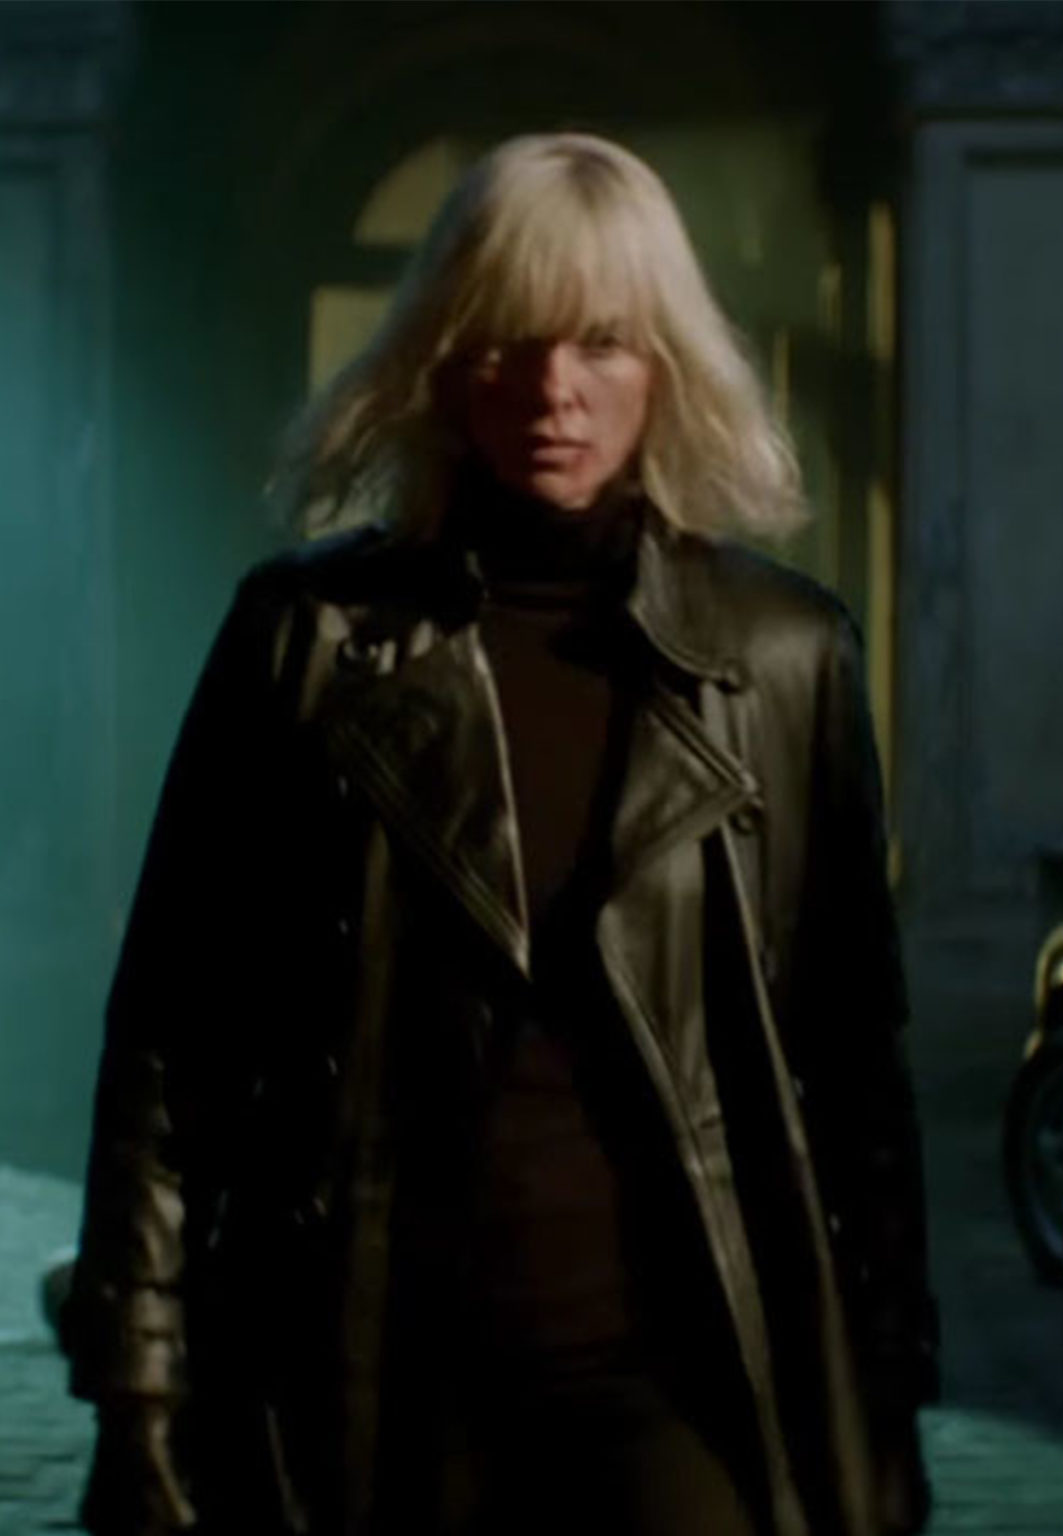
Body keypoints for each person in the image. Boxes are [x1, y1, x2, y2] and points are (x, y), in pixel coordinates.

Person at [68, 132, 938, 1536]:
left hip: (685, 1381)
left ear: (667, 364)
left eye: (603, 342)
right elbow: (173, 1035)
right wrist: (136, 1390)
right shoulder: (308, 642)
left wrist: (887, 1399)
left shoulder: (782, 660)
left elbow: (854, 1072)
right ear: (439, 361)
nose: (553, 392)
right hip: (372, 1379)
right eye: (506, 343)